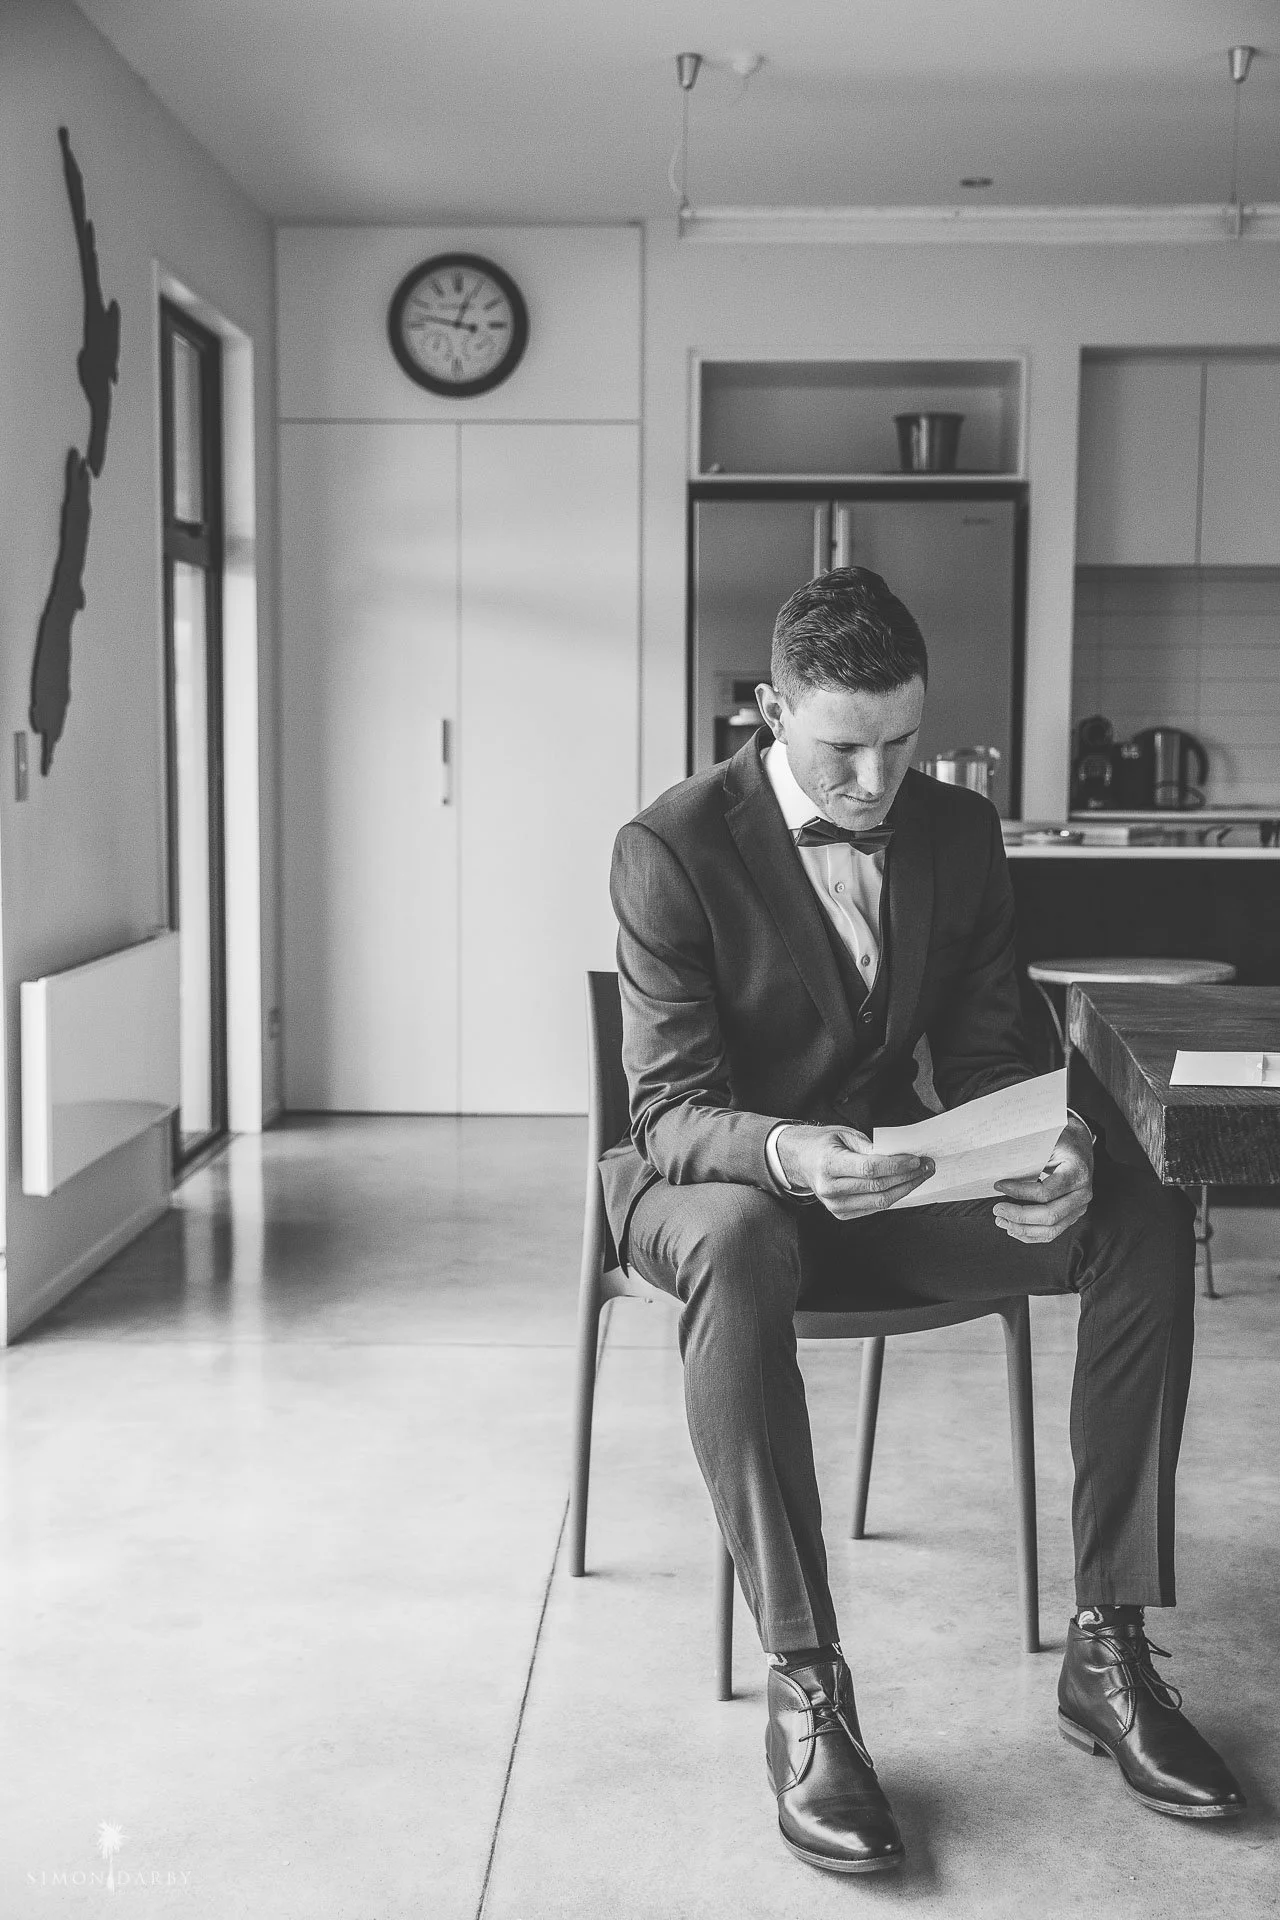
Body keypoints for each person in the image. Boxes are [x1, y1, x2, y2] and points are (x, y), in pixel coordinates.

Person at [601, 567, 1244, 1875]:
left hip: (897, 1182)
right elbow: (670, 1111)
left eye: (904, 742)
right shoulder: (668, 845)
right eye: (846, 747)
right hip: (714, 1190)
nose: (878, 779)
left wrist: (1052, 1146)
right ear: (772, 711)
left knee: (1135, 1208)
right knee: (736, 1236)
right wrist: (786, 1152)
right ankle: (808, 1687)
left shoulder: (955, 830)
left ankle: (1108, 1647)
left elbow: (1000, 1049)